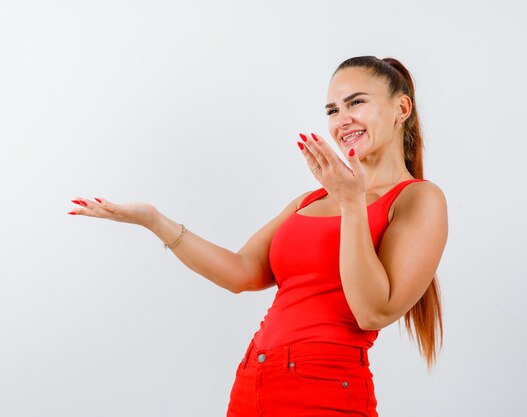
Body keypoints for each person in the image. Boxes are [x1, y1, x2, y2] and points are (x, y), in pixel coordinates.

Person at [67, 55, 448, 416]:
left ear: (402, 109)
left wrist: (352, 203)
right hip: (253, 382)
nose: (342, 120)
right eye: (332, 110)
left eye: (356, 103)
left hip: (326, 389)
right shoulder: (311, 199)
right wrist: (153, 220)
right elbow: (241, 271)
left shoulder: (418, 199)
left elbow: (372, 312)